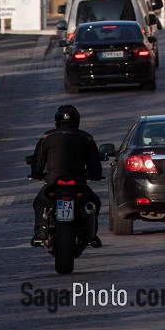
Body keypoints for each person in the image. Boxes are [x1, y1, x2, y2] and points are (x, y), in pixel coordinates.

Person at [29, 104, 103, 248]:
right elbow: (94, 164)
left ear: (56, 121)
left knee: (40, 202)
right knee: (93, 201)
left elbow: (38, 161)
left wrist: (36, 174)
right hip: (77, 183)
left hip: (54, 182)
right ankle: (91, 232)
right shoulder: (86, 138)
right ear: (76, 120)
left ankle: (41, 229)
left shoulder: (47, 137)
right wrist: (95, 175)